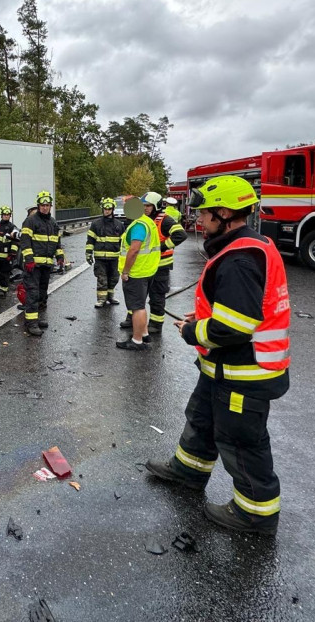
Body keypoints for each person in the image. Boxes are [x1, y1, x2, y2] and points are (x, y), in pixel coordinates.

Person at [145, 175, 290, 535]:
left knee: (240, 440)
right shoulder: (245, 246)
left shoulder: (239, 258)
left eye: (205, 213)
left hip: (246, 371)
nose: (198, 219)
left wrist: (194, 330)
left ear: (224, 213)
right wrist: (206, 318)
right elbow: (235, 311)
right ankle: (189, 471)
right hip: (224, 368)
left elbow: (235, 327)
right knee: (202, 417)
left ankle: (256, 512)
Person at [116, 194, 160, 350]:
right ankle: (145, 334)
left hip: (137, 272)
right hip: (148, 270)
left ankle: (137, 340)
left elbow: (134, 250)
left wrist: (126, 271)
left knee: (137, 307)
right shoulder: (148, 222)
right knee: (141, 305)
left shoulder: (138, 225)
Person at [19, 191, 64, 337]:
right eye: (42, 205)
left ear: (50, 206)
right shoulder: (31, 221)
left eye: (47, 205)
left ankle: (35, 319)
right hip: (34, 266)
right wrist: (29, 260)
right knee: (32, 293)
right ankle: (31, 323)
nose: (45, 207)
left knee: (42, 294)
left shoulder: (53, 223)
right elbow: (25, 242)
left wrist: (60, 257)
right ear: (38, 205)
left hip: (46, 265)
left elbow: (57, 243)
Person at [143, 192, 187, 333]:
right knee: (140, 294)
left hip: (161, 265)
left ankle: (156, 325)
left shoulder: (165, 220)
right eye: (144, 206)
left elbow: (181, 234)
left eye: (148, 206)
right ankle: (134, 320)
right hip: (146, 265)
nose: (145, 208)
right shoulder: (145, 219)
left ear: (156, 206)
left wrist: (162, 246)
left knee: (157, 296)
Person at [85, 197, 124, 308]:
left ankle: (110, 297)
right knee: (102, 279)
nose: (107, 211)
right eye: (105, 209)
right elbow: (90, 240)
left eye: (109, 209)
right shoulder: (96, 224)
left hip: (115, 258)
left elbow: (123, 242)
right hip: (100, 258)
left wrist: (124, 256)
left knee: (114, 278)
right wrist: (88, 253)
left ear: (113, 209)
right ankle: (101, 299)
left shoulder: (119, 225)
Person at [0, 205, 18, 295]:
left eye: (8, 214)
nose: (6, 216)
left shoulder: (12, 227)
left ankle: (3, 289)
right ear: (1, 215)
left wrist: (13, 253)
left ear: (10, 216)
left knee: (4, 273)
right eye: (4, 214)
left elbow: (16, 241)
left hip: (7, 256)